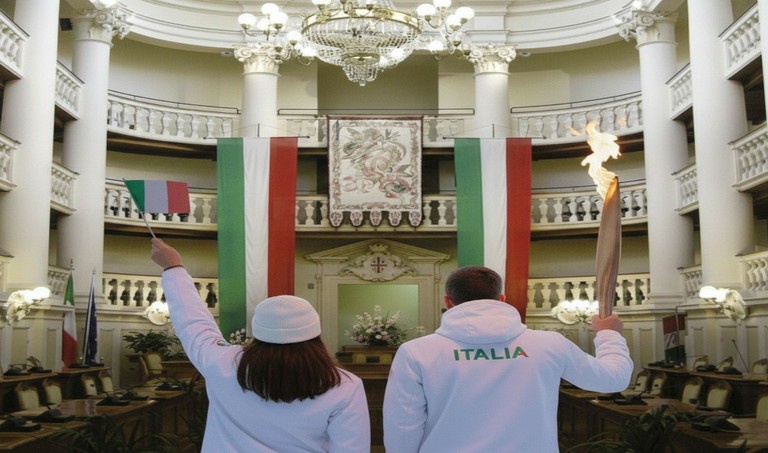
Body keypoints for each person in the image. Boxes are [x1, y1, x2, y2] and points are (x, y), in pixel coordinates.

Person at [150, 238, 371, 452]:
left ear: (257, 333)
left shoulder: (223, 363)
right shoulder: (345, 386)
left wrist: (174, 268)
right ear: (315, 336)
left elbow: (193, 323)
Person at [382, 266, 633, 452]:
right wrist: (608, 333)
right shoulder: (548, 344)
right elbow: (613, 380)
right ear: (501, 299)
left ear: (448, 302)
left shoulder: (417, 351)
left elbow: (402, 426)